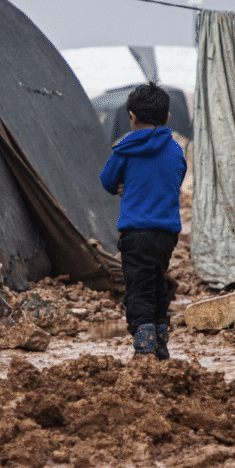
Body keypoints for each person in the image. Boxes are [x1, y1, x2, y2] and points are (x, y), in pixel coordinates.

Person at [99, 82, 186, 359]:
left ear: (132, 116)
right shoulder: (175, 150)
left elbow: (108, 181)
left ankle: (144, 345)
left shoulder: (124, 149)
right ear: (168, 118)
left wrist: (127, 183)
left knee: (138, 287)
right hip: (166, 235)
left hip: (136, 233)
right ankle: (161, 340)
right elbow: (174, 180)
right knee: (157, 282)